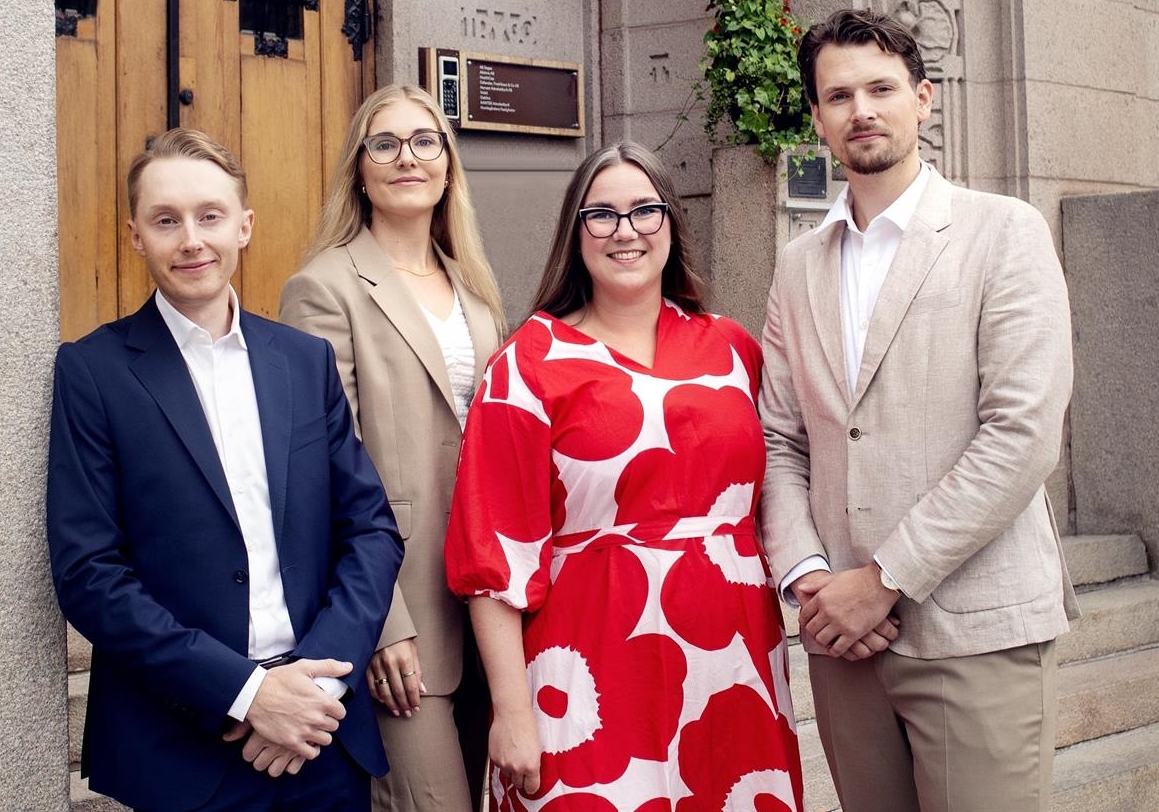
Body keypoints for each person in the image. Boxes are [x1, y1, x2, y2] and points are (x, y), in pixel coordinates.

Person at [758, 8, 1077, 812]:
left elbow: (1022, 434)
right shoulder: (797, 265)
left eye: (880, 88)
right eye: (838, 95)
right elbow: (780, 439)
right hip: (844, 641)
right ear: (820, 119)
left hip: (975, 628)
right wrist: (809, 579)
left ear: (924, 99)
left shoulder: (1004, 232)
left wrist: (888, 577)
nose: (860, 109)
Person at [47, 128, 404, 812]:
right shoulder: (92, 372)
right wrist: (246, 693)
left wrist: (316, 686)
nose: (191, 240)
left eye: (210, 215)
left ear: (244, 226)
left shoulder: (304, 361)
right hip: (183, 746)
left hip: (322, 735)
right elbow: (89, 573)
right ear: (134, 235)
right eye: (165, 220)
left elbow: (371, 531)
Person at [445, 142, 803, 812]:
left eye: (644, 209)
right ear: (574, 232)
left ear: (671, 222)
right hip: (588, 673)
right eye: (601, 214)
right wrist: (512, 709)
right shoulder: (526, 364)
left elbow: (784, 485)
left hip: (732, 663)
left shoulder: (732, 348)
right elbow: (494, 560)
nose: (626, 229)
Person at [278, 84, 506, 812]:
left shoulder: (474, 287)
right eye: (385, 143)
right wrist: (379, 624)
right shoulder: (324, 287)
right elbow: (323, 471)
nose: (407, 157)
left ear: (447, 165)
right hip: (399, 601)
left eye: (425, 140)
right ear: (360, 168)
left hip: (489, 595)